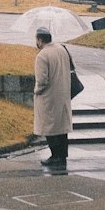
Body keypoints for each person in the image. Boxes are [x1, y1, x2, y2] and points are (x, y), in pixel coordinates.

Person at [33, 28, 73, 173]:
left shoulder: (42, 55)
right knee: (62, 127)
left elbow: (42, 80)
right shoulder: (61, 49)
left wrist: (36, 91)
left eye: (36, 39)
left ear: (40, 40)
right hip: (63, 93)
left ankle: (55, 156)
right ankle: (62, 156)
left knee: (49, 127)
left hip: (49, 96)